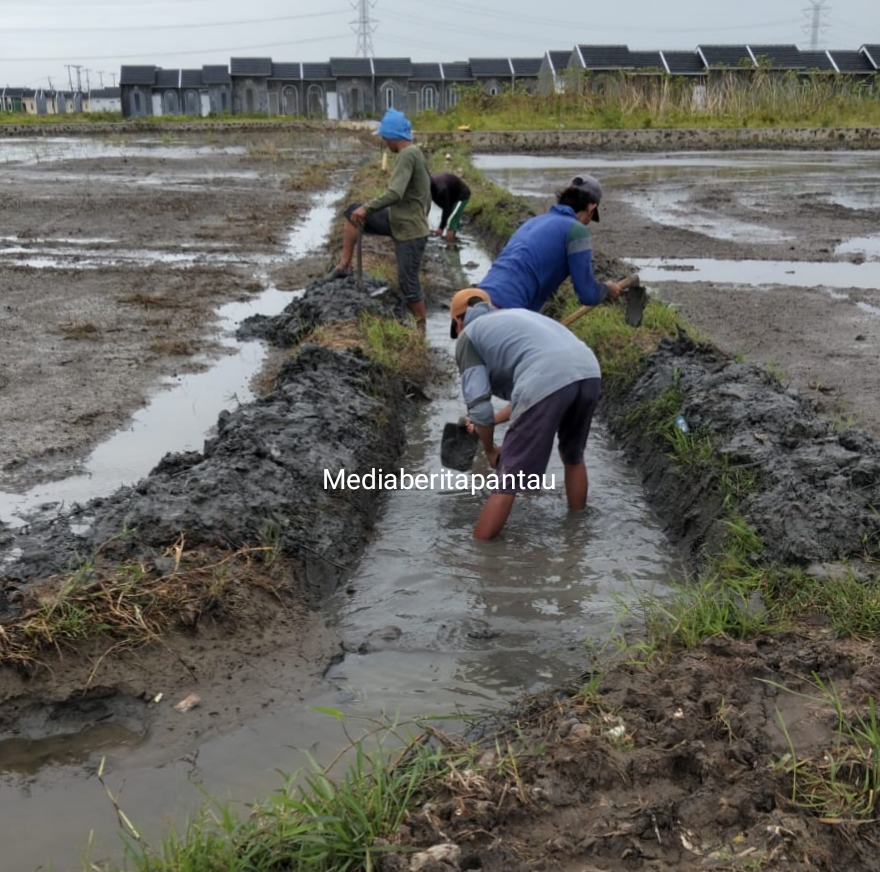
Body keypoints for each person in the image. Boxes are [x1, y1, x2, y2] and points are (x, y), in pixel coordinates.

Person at [449, 288, 602, 541]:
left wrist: (490, 449)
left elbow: (480, 408)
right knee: (573, 456)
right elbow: (528, 396)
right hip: (589, 371)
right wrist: (490, 421)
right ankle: (577, 533)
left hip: (547, 379)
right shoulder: (516, 318)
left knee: (507, 479)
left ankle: (478, 557)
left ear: (458, 322)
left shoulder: (469, 338)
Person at [327, 108, 431, 329]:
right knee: (351, 213)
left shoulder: (408, 155)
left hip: (410, 231)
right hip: (398, 220)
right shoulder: (412, 153)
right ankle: (344, 265)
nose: (384, 142)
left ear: (393, 137)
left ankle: (421, 329)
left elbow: (395, 193)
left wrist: (368, 208)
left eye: (385, 137)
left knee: (408, 284)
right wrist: (362, 209)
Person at [475, 174, 623, 312]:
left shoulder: (533, 222)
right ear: (591, 207)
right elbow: (587, 294)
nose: (587, 223)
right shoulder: (576, 230)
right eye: (591, 217)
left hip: (475, 302)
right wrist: (606, 289)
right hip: (505, 310)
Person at [430, 172, 471, 242]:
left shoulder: (441, 189)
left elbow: (447, 209)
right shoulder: (429, 186)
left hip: (461, 196)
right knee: (451, 220)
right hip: (451, 195)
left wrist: (441, 228)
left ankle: (450, 247)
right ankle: (452, 241)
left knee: (450, 221)